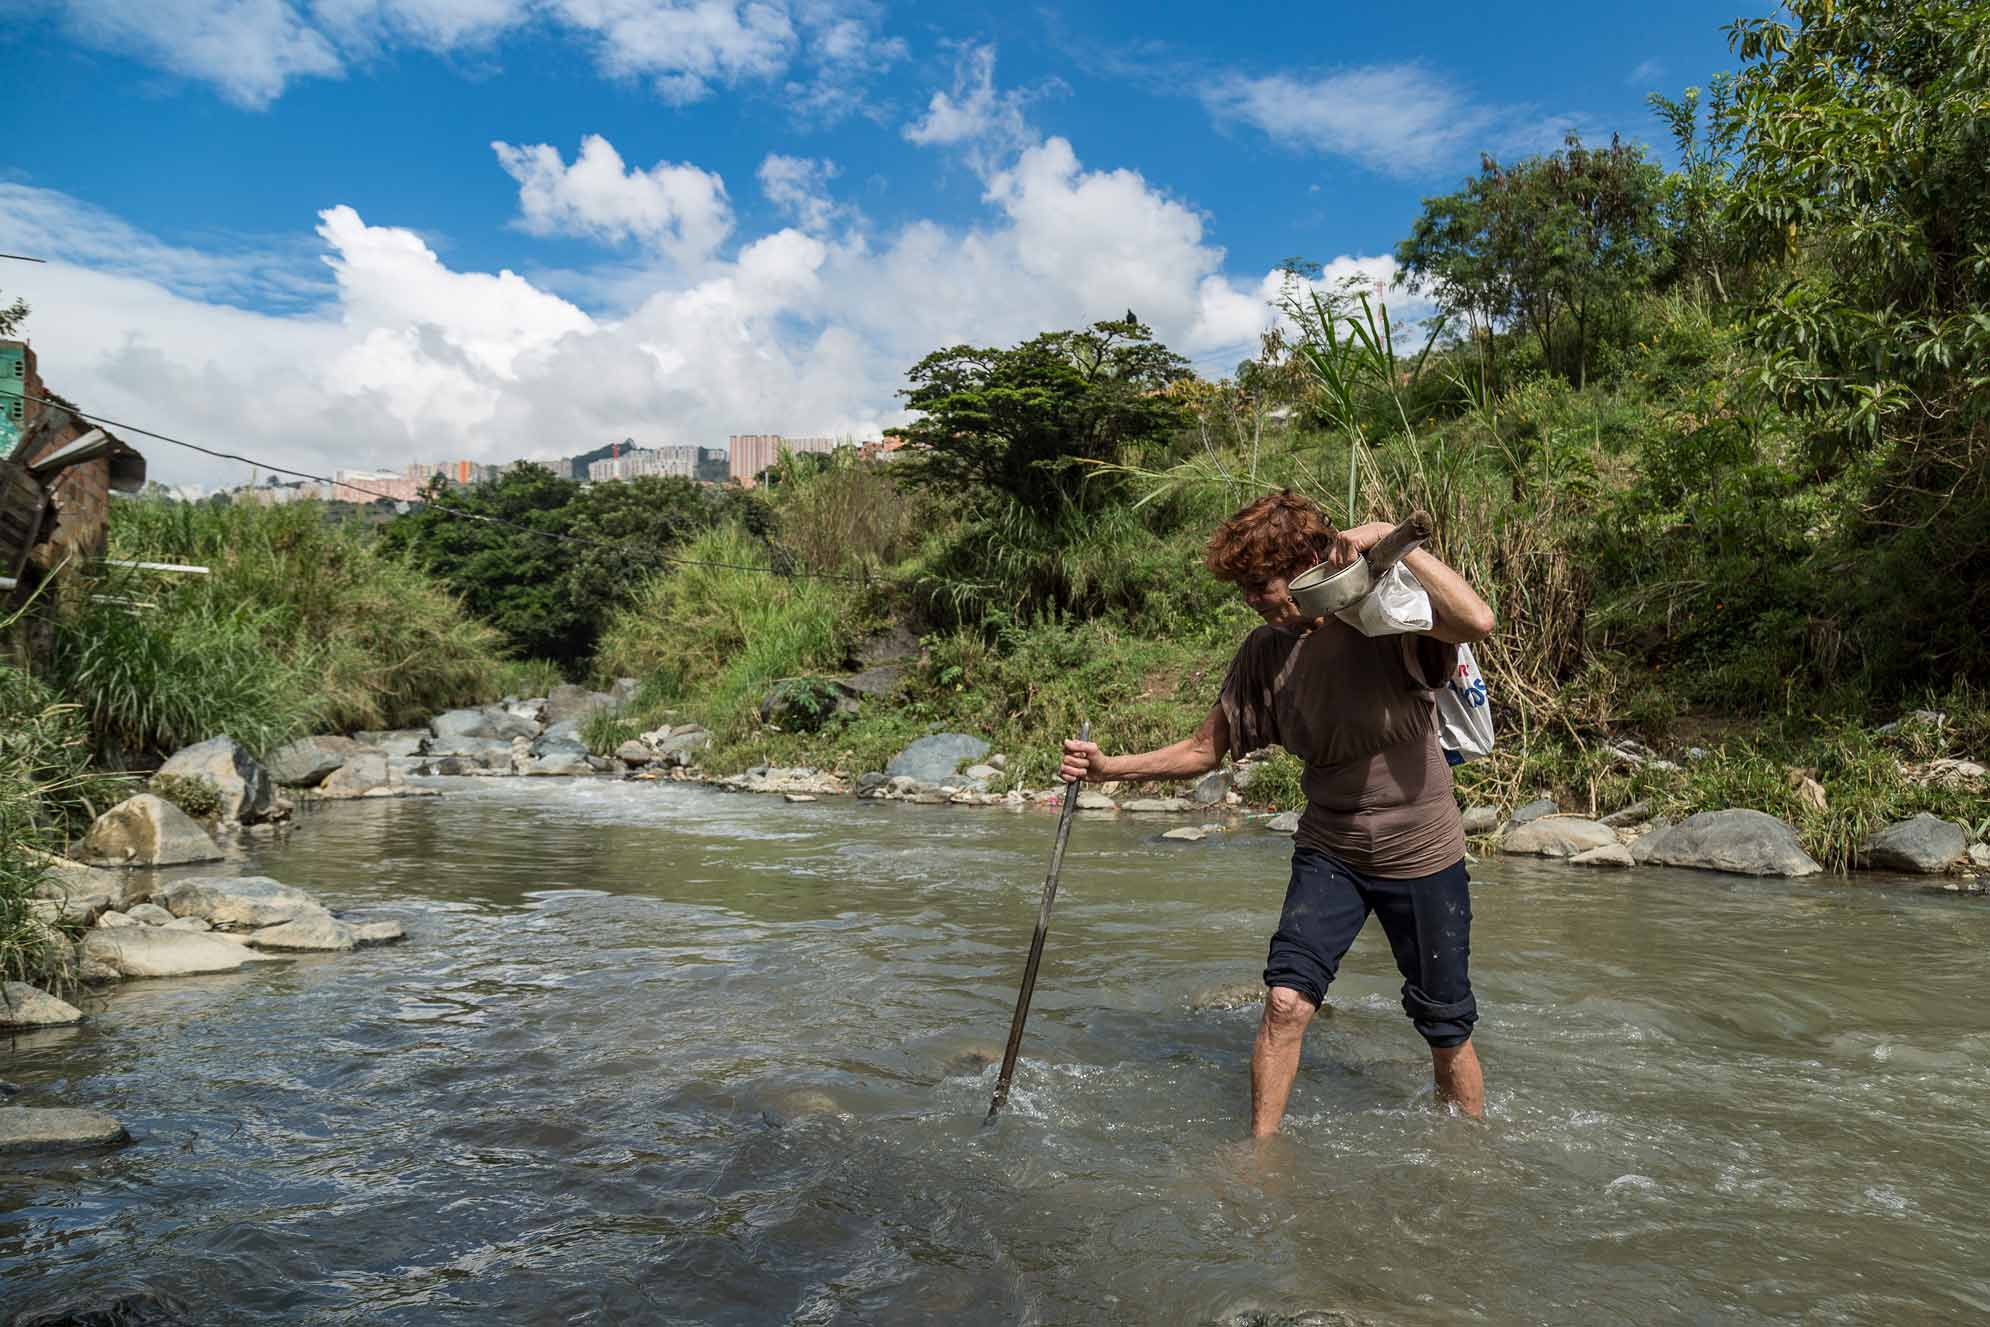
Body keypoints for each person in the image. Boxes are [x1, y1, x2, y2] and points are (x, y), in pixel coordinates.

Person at [1057, 490, 1496, 1134]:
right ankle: (1260, 1156)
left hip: (1422, 849)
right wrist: (1108, 769)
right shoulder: (1265, 653)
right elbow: (1204, 749)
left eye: (1262, 585)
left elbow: (1476, 621)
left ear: (1309, 564)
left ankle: (1468, 1157)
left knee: (1444, 1025)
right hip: (1331, 849)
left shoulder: (1383, 618)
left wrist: (1394, 542)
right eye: (1246, 588)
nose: (1253, 600)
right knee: (1286, 1003)